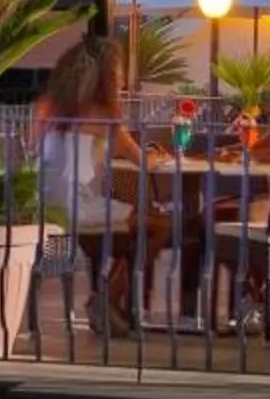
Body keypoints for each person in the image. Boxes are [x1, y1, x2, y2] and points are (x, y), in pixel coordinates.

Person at [32, 34, 172, 334]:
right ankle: (107, 297)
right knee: (160, 226)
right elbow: (144, 163)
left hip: (45, 206)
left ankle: (110, 301)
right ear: (108, 78)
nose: (122, 83)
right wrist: (162, 156)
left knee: (130, 228)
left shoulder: (50, 109)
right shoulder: (105, 116)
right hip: (77, 208)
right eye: (119, 75)